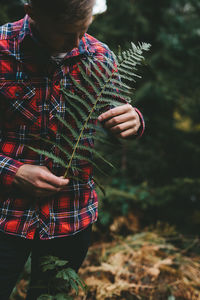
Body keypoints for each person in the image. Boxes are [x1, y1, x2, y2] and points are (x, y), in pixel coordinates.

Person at [0, 0, 145, 299]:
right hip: (4, 214)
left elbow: (117, 117)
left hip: (71, 217)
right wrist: (12, 171)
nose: (78, 43)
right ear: (34, 13)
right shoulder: (3, 49)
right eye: (66, 33)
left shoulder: (100, 56)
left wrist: (134, 121)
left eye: (84, 29)